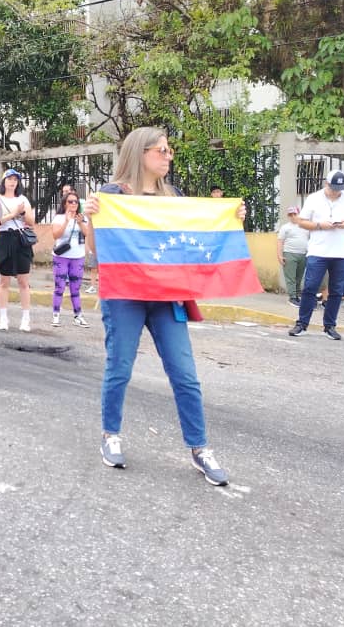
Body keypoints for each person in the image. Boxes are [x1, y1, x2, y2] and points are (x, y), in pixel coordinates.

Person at [84, 127, 241, 486]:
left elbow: (191, 239)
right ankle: (111, 435)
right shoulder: (111, 195)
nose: (168, 157)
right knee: (120, 367)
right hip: (124, 296)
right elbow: (96, 249)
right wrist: (92, 216)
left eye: (169, 151)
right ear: (141, 153)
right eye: (162, 151)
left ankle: (200, 448)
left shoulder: (174, 195)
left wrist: (232, 219)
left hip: (167, 296)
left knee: (185, 375)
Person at [289, 169, 344, 340]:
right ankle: (302, 323)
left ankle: (330, 326)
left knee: (337, 290)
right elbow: (301, 222)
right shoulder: (314, 198)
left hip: (342, 252)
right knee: (310, 287)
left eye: (339, 188)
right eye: (333, 188)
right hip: (318, 251)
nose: (336, 191)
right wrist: (319, 225)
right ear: (326, 184)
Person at [0, 168, 36, 332]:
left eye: (15, 180)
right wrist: (14, 213)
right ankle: (3, 318)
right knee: (4, 282)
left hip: (21, 240)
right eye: (9, 179)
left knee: (24, 282)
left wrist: (23, 212)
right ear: (3, 181)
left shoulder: (23, 198)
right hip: (5, 239)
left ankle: (26, 319)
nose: (12, 182)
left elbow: (31, 221)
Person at [50, 191, 90, 328]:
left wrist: (80, 223)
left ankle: (78, 315)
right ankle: (56, 314)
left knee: (75, 288)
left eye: (76, 202)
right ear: (64, 203)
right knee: (59, 286)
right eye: (70, 201)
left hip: (77, 256)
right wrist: (66, 221)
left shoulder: (82, 217)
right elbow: (55, 235)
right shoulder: (59, 218)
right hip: (61, 257)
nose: (73, 204)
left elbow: (87, 234)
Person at [276, 205, 309, 305]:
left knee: (299, 276)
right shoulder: (285, 227)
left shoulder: (305, 226)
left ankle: (297, 295)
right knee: (291, 277)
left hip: (303, 254)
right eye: (290, 214)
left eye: (295, 214)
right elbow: (280, 242)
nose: (293, 216)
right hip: (289, 254)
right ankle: (292, 297)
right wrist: (279, 255)